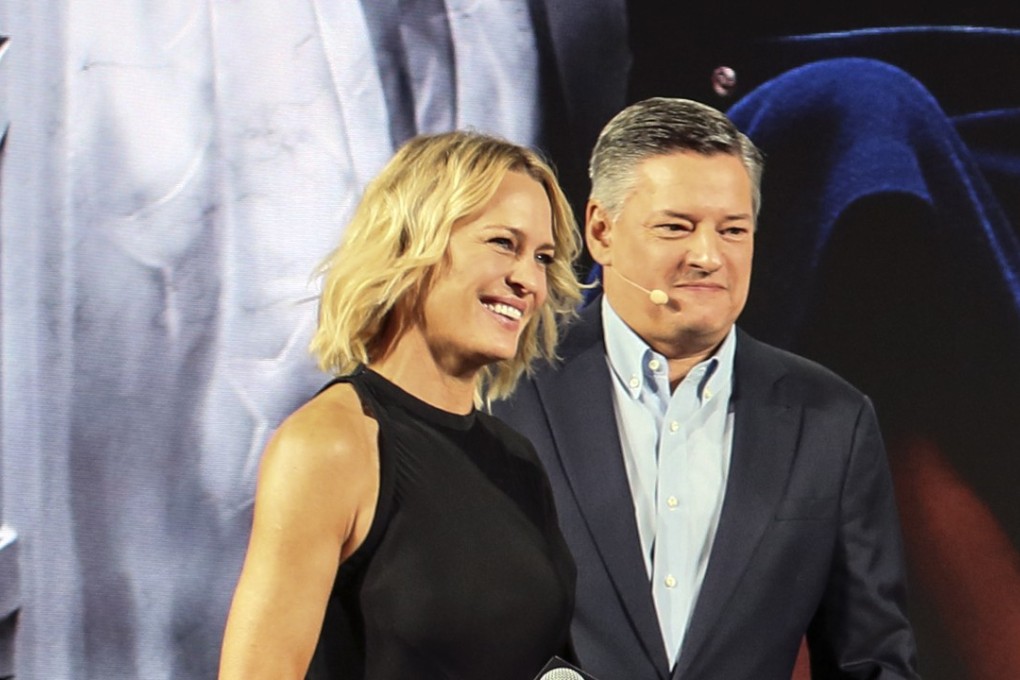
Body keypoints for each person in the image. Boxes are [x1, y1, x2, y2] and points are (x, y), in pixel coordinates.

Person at [492, 97, 921, 680]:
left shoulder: (830, 419)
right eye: (676, 227)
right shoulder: (505, 391)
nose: (708, 256)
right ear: (600, 231)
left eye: (733, 230)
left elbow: (871, 658)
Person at [218, 130, 583, 679]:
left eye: (542, 257)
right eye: (504, 243)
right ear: (414, 242)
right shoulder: (332, 445)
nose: (527, 279)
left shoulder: (517, 461)